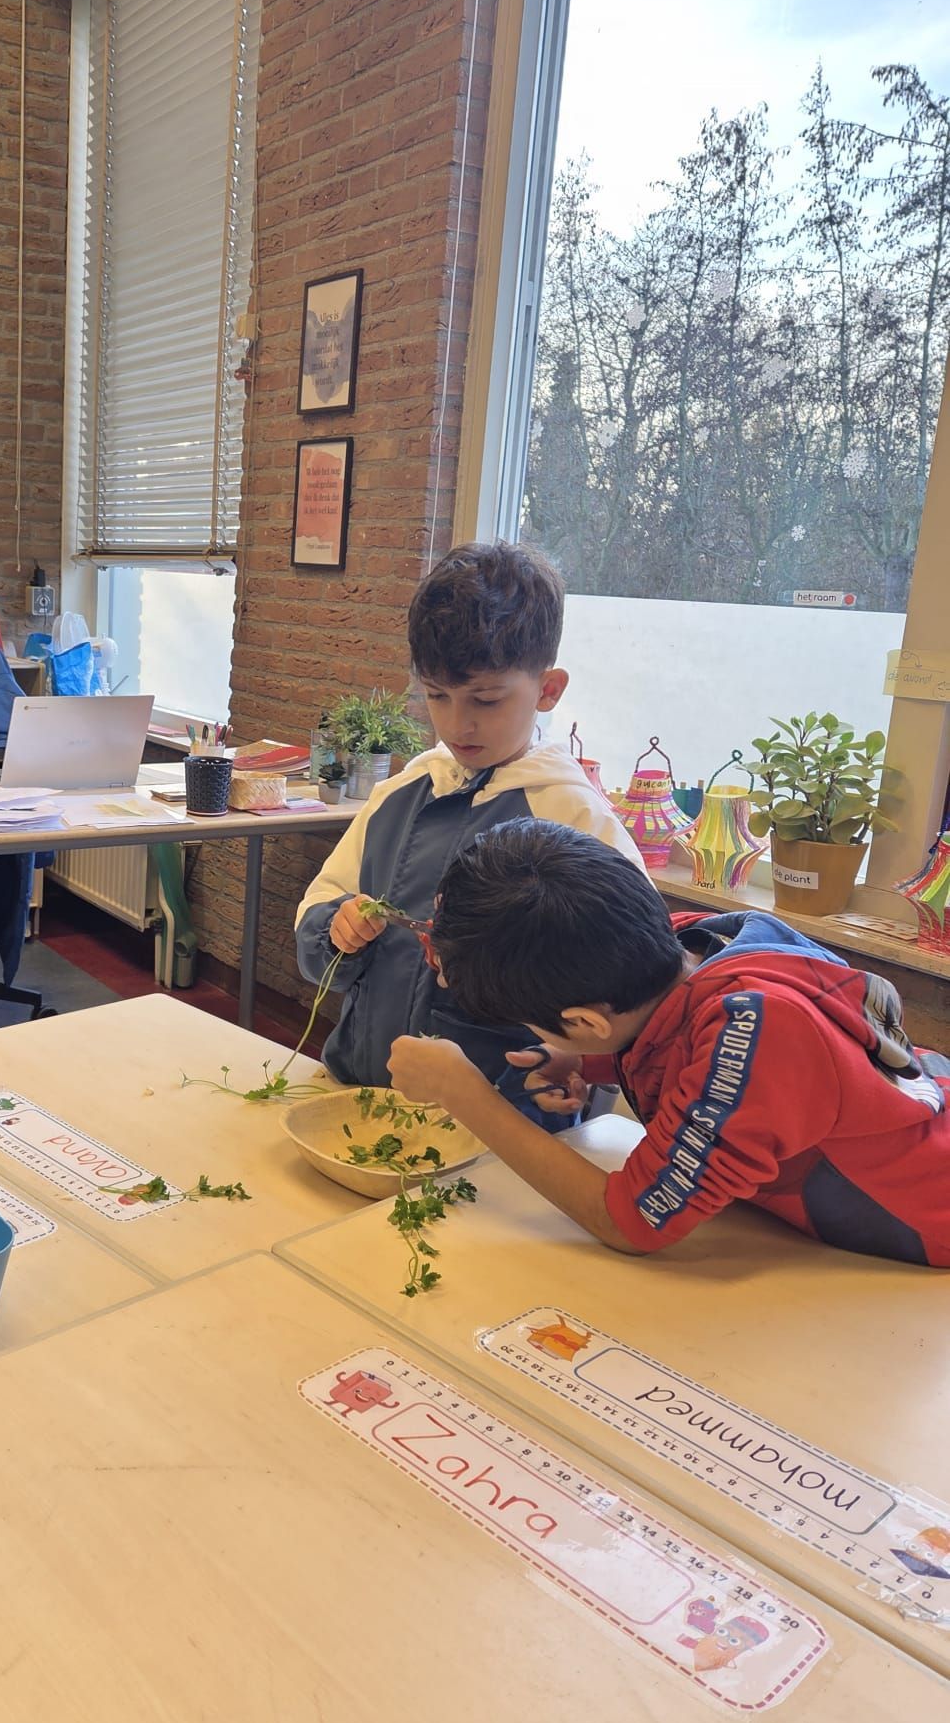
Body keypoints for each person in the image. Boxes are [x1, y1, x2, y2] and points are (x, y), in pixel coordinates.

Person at [389, 817, 950, 1265]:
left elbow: (631, 1223)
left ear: (587, 1021)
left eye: (540, 1026)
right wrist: (584, 1058)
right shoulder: (690, 942)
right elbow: (672, 1036)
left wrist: (464, 1094)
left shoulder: (756, 1033)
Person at [294, 541, 644, 1110]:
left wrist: (572, 1067)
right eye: (438, 696)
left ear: (548, 690)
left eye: (486, 700)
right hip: (362, 1090)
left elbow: (627, 997)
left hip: (504, 1121)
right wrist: (338, 930)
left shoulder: (575, 817)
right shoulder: (401, 795)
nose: (459, 724)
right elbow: (321, 904)